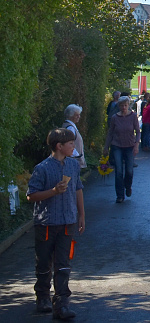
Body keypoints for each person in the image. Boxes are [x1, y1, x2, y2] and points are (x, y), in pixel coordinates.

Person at [26, 128, 85, 320]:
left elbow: (78, 190)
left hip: (68, 222)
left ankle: (61, 303)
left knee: (63, 264)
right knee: (43, 262)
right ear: (59, 146)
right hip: (46, 223)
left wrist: (81, 215)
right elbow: (31, 195)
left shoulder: (73, 166)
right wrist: (53, 191)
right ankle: (42, 297)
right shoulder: (42, 168)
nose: (73, 147)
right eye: (70, 144)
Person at [104, 97, 141, 203]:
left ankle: (128, 186)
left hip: (129, 146)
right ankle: (120, 195)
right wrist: (106, 147)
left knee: (129, 171)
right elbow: (110, 132)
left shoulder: (133, 116)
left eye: (125, 105)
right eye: (121, 105)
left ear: (128, 105)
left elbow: (138, 131)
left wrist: (136, 145)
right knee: (119, 171)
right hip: (117, 146)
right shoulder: (115, 117)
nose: (123, 107)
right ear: (119, 106)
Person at [62, 104, 86, 169]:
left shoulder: (70, 126)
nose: (79, 117)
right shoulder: (70, 128)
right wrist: (77, 156)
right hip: (73, 161)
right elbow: (68, 144)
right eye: (76, 115)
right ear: (70, 115)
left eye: (79, 114)